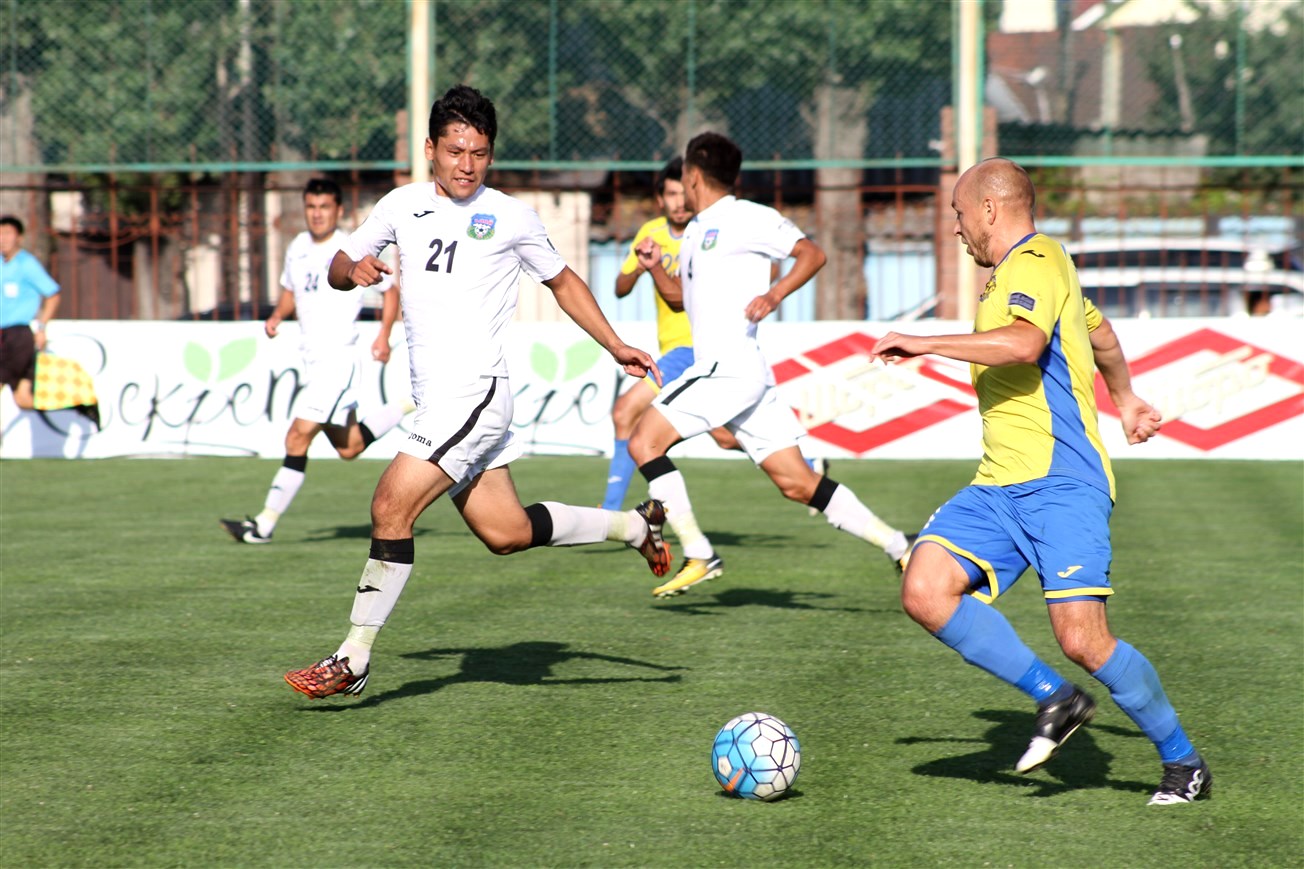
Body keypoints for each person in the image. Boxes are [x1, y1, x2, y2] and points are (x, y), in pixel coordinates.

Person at [284, 84, 670, 699]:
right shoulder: (401, 205)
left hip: (476, 394)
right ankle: (632, 528)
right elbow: (340, 265)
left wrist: (615, 344)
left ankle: (352, 658)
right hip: (437, 400)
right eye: (456, 151)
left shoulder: (511, 216)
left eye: (480, 153)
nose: (467, 165)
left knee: (390, 505)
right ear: (431, 149)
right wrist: (350, 271)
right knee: (506, 533)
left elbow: (563, 282)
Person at [870, 157, 1211, 806]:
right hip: (998, 486)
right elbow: (1099, 332)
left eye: (959, 213)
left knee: (1083, 638)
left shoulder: (1037, 257)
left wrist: (923, 342)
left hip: (1062, 483)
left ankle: (1183, 762)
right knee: (924, 587)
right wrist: (1126, 398)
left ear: (989, 209)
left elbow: (1025, 344)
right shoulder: (1020, 276)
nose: (955, 228)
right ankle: (1055, 698)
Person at [626, 132, 911, 599]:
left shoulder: (747, 217)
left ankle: (699, 553)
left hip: (726, 367)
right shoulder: (696, 230)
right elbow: (679, 298)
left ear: (693, 176)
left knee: (643, 441)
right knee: (798, 483)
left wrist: (774, 294)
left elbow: (812, 254)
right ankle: (901, 547)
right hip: (741, 374)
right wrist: (656, 266)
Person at [220, 178, 411, 544]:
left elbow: (390, 292)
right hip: (314, 362)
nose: (317, 214)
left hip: (337, 362)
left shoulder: (349, 250)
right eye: (311, 207)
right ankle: (410, 402)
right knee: (349, 447)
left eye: (324, 207)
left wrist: (383, 335)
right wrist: (277, 315)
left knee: (296, 438)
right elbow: (291, 291)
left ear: (338, 210)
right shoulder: (297, 247)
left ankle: (262, 526)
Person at [602, 157, 738, 510]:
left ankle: (611, 511)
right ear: (660, 199)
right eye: (671, 194)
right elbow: (620, 288)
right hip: (680, 353)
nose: (679, 202)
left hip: (691, 350)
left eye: (683, 193)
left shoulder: (706, 235)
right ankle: (808, 462)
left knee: (625, 413)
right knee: (724, 436)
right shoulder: (652, 233)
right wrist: (641, 266)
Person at [0, 216, 61, 412]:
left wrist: (41, 327)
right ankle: (74, 408)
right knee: (23, 398)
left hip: (17, 336)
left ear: (19, 237)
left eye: (7, 233)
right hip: (3, 335)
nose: (3, 239)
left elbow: (53, 294)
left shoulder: (26, 264)